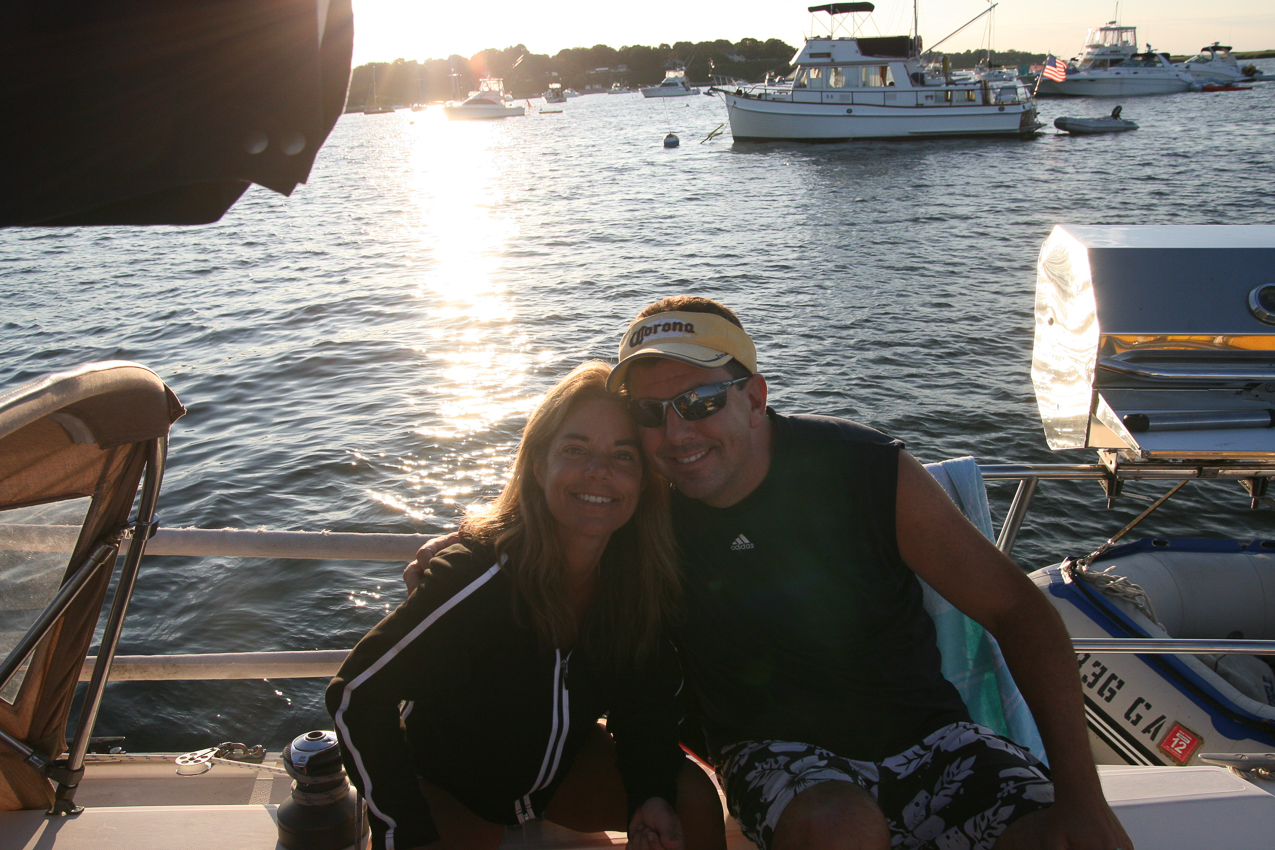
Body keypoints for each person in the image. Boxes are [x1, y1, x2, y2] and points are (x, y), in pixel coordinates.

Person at [599, 296, 1133, 850]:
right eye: (647, 412)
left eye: (700, 401)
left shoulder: (864, 470)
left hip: (934, 739)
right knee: (839, 827)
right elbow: (634, 677)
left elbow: (1017, 610)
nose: (677, 433)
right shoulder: (645, 521)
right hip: (772, 752)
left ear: (755, 398)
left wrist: (1082, 798)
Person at [331, 361, 726, 850]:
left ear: (644, 482)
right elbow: (356, 694)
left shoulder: (634, 580)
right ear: (539, 466)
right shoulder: (482, 576)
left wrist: (649, 793)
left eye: (623, 456)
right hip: (448, 787)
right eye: (575, 449)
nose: (598, 471)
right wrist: (405, 832)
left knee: (692, 801)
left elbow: (643, 706)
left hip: (558, 778)